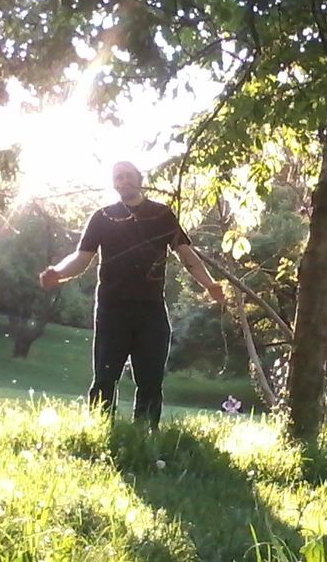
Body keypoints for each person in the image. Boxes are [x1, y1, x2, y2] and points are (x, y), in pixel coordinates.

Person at [39, 161, 226, 429]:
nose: (123, 180)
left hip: (151, 310)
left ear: (140, 179)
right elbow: (82, 259)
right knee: (105, 377)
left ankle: (144, 437)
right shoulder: (102, 217)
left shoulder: (162, 216)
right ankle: (99, 432)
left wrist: (210, 284)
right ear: (114, 183)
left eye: (128, 176)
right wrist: (57, 272)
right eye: (118, 177)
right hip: (111, 309)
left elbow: (186, 255)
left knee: (150, 380)